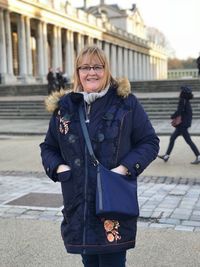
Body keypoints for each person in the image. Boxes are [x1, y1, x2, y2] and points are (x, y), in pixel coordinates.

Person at [40, 46, 159, 267]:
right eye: (85, 67)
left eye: (97, 67)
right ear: (77, 72)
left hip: (112, 205)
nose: (91, 73)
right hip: (78, 205)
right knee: (89, 262)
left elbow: (150, 142)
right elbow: (48, 147)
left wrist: (124, 169)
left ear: (106, 69)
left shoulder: (126, 103)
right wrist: (59, 168)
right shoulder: (64, 108)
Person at [158, 86, 200, 164]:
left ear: (183, 93)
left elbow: (179, 111)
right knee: (173, 138)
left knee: (188, 141)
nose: (179, 92)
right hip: (184, 124)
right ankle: (166, 156)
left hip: (182, 125)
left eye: (181, 91)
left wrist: (172, 116)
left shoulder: (182, 100)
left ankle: (198, 155)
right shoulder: (186, 101)